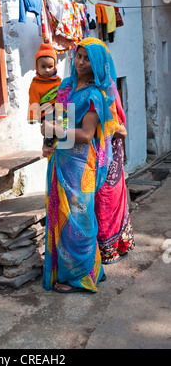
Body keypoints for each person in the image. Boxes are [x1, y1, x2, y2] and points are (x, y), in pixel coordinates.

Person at [41, 37, 120, 293]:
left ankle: (81, 277)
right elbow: (55, 114)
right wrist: (48, 140)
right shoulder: (66, 86)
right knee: (60, 215)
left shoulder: (96, 96)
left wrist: (56, 129)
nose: (80, 62)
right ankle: (89, 269)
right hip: (60, 158)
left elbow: (86, 134)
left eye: (86, 58)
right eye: (78, 56)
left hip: (80, 164)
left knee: (79, 219)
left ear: (96, 63)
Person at [95, 92, 135, 264]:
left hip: (109, 157)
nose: (81, 63)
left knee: (107, 199)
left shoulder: (107, 92)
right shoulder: (70, 89)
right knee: (99, 201)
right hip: (87, 156)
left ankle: (113, 247)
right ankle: (102, 250)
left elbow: (122, 131)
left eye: (87, 62)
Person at [27, 39, 62, 146]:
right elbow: (33, 100)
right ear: (37, 66)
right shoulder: (36, 84)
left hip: (59, 109)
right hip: (46, 111)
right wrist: (32, 117)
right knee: (49, 130)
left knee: (63, 123)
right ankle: (47, 144)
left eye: (50, 66)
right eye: (43, 67)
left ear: (55, 66)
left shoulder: (58, 81)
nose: (47, 70)